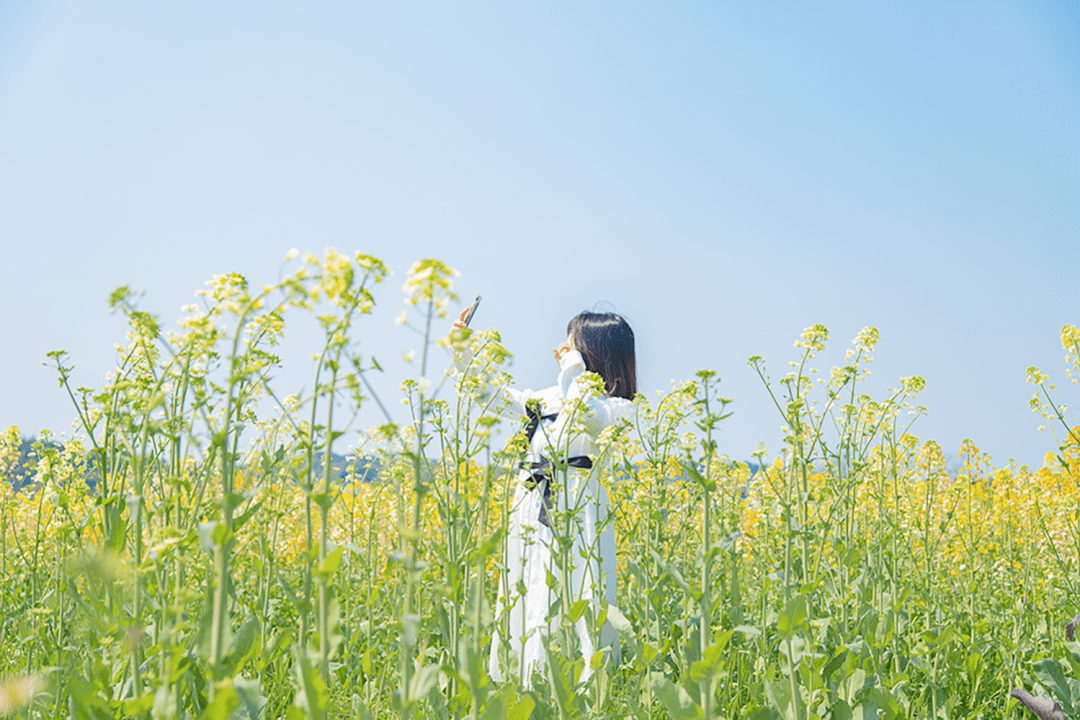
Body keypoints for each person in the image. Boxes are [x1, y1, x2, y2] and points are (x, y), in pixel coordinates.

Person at [451, 309, 637, 683]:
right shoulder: (548, 397)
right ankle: (523, 680)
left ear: (594, 352)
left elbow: (590, 416)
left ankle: (586, 688)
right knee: (525, 585)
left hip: (578, 508)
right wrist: (463, 351)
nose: (564, 347)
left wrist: (573, 372)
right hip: (532, 503)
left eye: (573, 342)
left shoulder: (620, 407)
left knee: (580, 591)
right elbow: (491, 398)